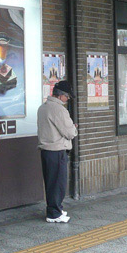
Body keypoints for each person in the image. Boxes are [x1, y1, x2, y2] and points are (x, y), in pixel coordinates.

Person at [36, 80, 77, 223]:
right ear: (61, 96)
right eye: (68, 97)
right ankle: (54, 213)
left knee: (50, 182)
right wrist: (73, 126)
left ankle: (55, 209)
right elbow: (70, 132)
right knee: (58, 183)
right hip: (57, 150)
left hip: (46, 151)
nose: (68, 100)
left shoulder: (42, 108)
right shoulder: (59, 109)